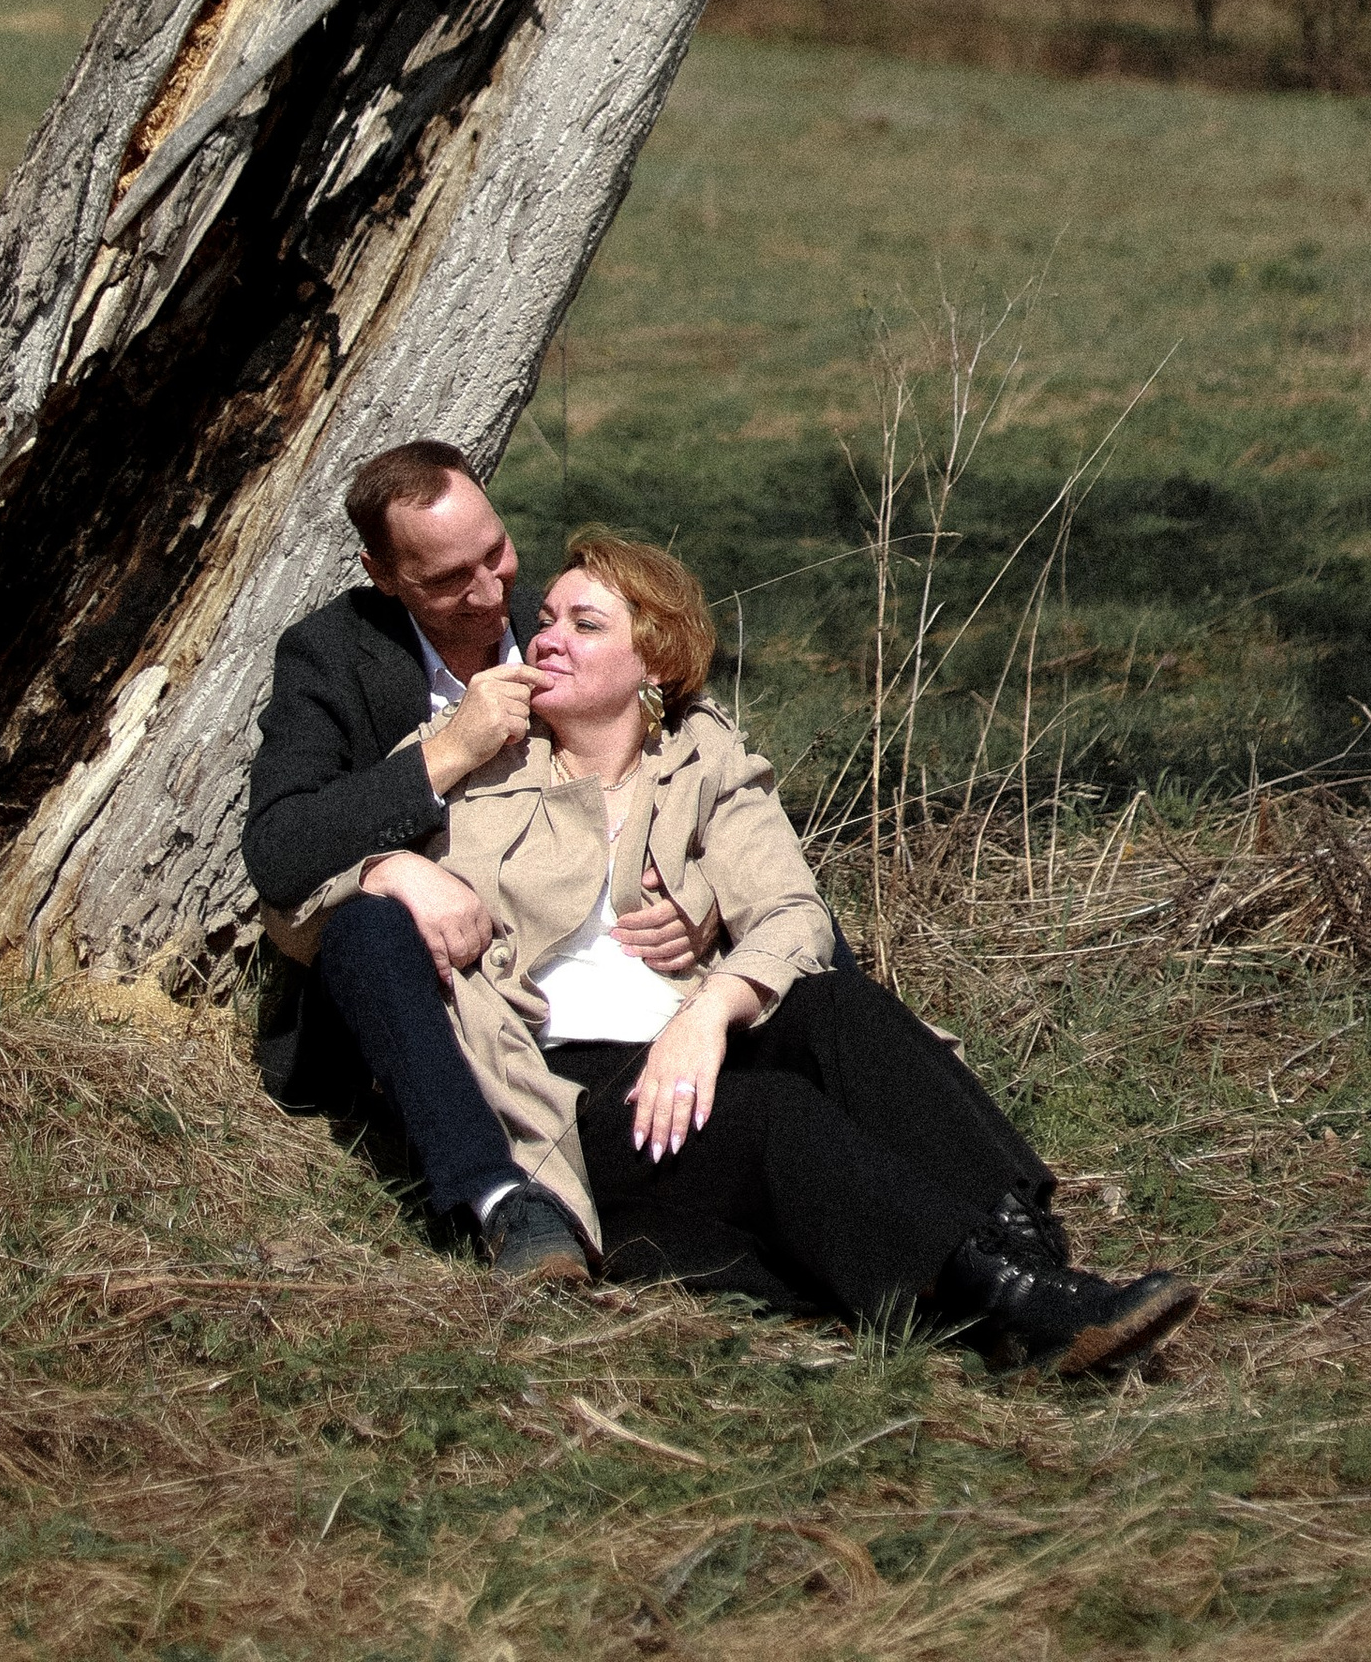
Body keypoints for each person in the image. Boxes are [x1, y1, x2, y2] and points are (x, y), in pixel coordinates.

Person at [435, 530, 1201, 1375]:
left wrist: (713, 1009)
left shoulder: (703, 758)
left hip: (690, 1045)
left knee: (838, 1005)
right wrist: (395, 865)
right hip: (571, 1091)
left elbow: (794, 914)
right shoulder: (478, 758)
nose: (544, 639)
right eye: (545, 619)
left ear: (655, 663)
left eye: (584, 624)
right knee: (772, 1113)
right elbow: (328, 874)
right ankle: (1015, 1310)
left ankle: (1032, 1259)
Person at [241, 442, 713, 1281]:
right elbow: (279, 849)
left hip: (580, 966)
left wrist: (704, 898)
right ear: (384, 576)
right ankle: (500, 1200)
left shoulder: (559, 621)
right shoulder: (330, 654)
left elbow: (702, 758)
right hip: (430, 984)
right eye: (449, 579)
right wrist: (434, 775)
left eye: (496, 552)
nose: (491, 593)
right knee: (366, 929)